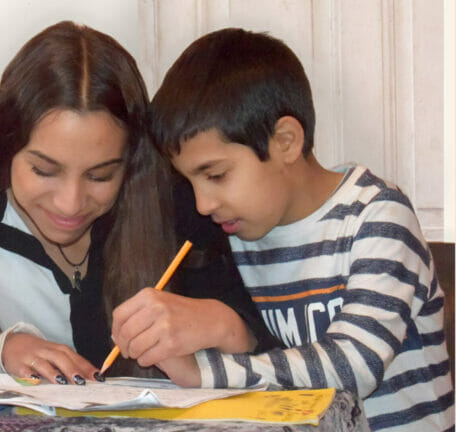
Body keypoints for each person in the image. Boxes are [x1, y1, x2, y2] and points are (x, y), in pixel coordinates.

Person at [0, 21, 278, 385]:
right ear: (4, 147)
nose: (70, 204)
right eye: (43, 170)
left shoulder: (183, 194)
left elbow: (274, 345)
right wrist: (4, 350)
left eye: (100, 176)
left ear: (132, 163)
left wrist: (226, 325)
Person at [145, 28, 454, 430]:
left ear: (287, 142)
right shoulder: (239, 233)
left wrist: (207, 373)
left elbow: (355, 367)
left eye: (217, 175)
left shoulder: (377, 217)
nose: (203, 205)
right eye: (191, 183)